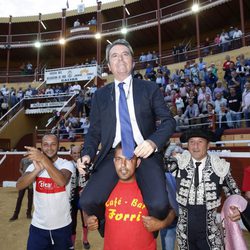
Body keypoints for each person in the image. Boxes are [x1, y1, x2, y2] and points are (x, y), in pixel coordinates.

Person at [77, 39, 176, 235]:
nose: (120, 59)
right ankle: (107, 226)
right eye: (114, 55)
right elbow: (94, 132)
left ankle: (154, 231)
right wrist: (87, 154)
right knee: (87, 201)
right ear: (109, 66)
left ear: (132, 61)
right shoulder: (99, 95)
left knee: (158, 205)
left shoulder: (149, 88)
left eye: (125, 54)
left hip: (144, 152)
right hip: (112, 155)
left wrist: (152, 142)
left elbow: (168, 121)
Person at [86, 143, 176, 250]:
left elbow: (172, 211)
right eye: (119, 159)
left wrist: (161, 224)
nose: (123, 165)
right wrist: (88, 218)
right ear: (114, 162)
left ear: (137, 162)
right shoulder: (104, 187)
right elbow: (86, 201)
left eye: (128, 159)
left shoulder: (149, 186)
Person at [174, 128, 241, 249]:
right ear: (187, 145)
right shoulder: (178, 163)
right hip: (184, 232)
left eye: (200, 141)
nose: (195, 146)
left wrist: (237, 208)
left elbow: (233, 192)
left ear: (208, 145)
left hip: (210, 232)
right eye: (192, 142)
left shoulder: (219, 166)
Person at [16, 134, 74, 250]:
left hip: (62, 227)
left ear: (58, 146)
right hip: (38, 227)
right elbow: (19, 185)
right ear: (41, 147)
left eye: (53, 144)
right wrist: (36, 170)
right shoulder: (34, 166)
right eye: (45, 144)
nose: (49, 148)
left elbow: (61, 181)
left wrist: (43, 159)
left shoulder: (66, 164)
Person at [70, 146, 90, 249]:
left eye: (78, 153)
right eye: (74, 153)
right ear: (71, 154)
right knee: (72, 222)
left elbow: (92, 180)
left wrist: (86, 189)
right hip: (72, 198)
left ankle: (85, 239)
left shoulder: (87, 165)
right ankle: (72, 244)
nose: (76, 155)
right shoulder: (67, 166)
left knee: (85, 221)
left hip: (83, 196)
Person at [9, 157, 33, 221]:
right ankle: (16, 215)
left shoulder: (34, 159)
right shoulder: (23, 159)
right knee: (20, 198)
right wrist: (24, 175)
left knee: (30, 198)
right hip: (23, 180)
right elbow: (20, 169)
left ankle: (28, 213)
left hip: (31, 181)